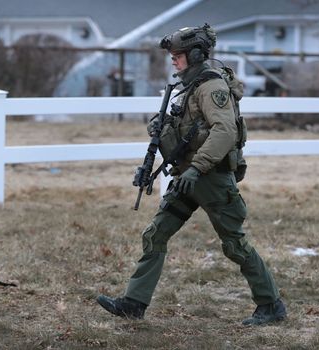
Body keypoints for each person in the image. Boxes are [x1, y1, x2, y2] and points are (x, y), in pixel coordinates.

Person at [97, 24, 286, 326]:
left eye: (179, 54)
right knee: (155, 235)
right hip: (187, 177)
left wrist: (198, 167)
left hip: (209, 178)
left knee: (234, 244)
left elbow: (224, 131)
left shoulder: (211, 87)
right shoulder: (189, 86)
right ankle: (134, 303)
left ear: (196, 54)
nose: (173, 59)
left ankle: (271, 304)